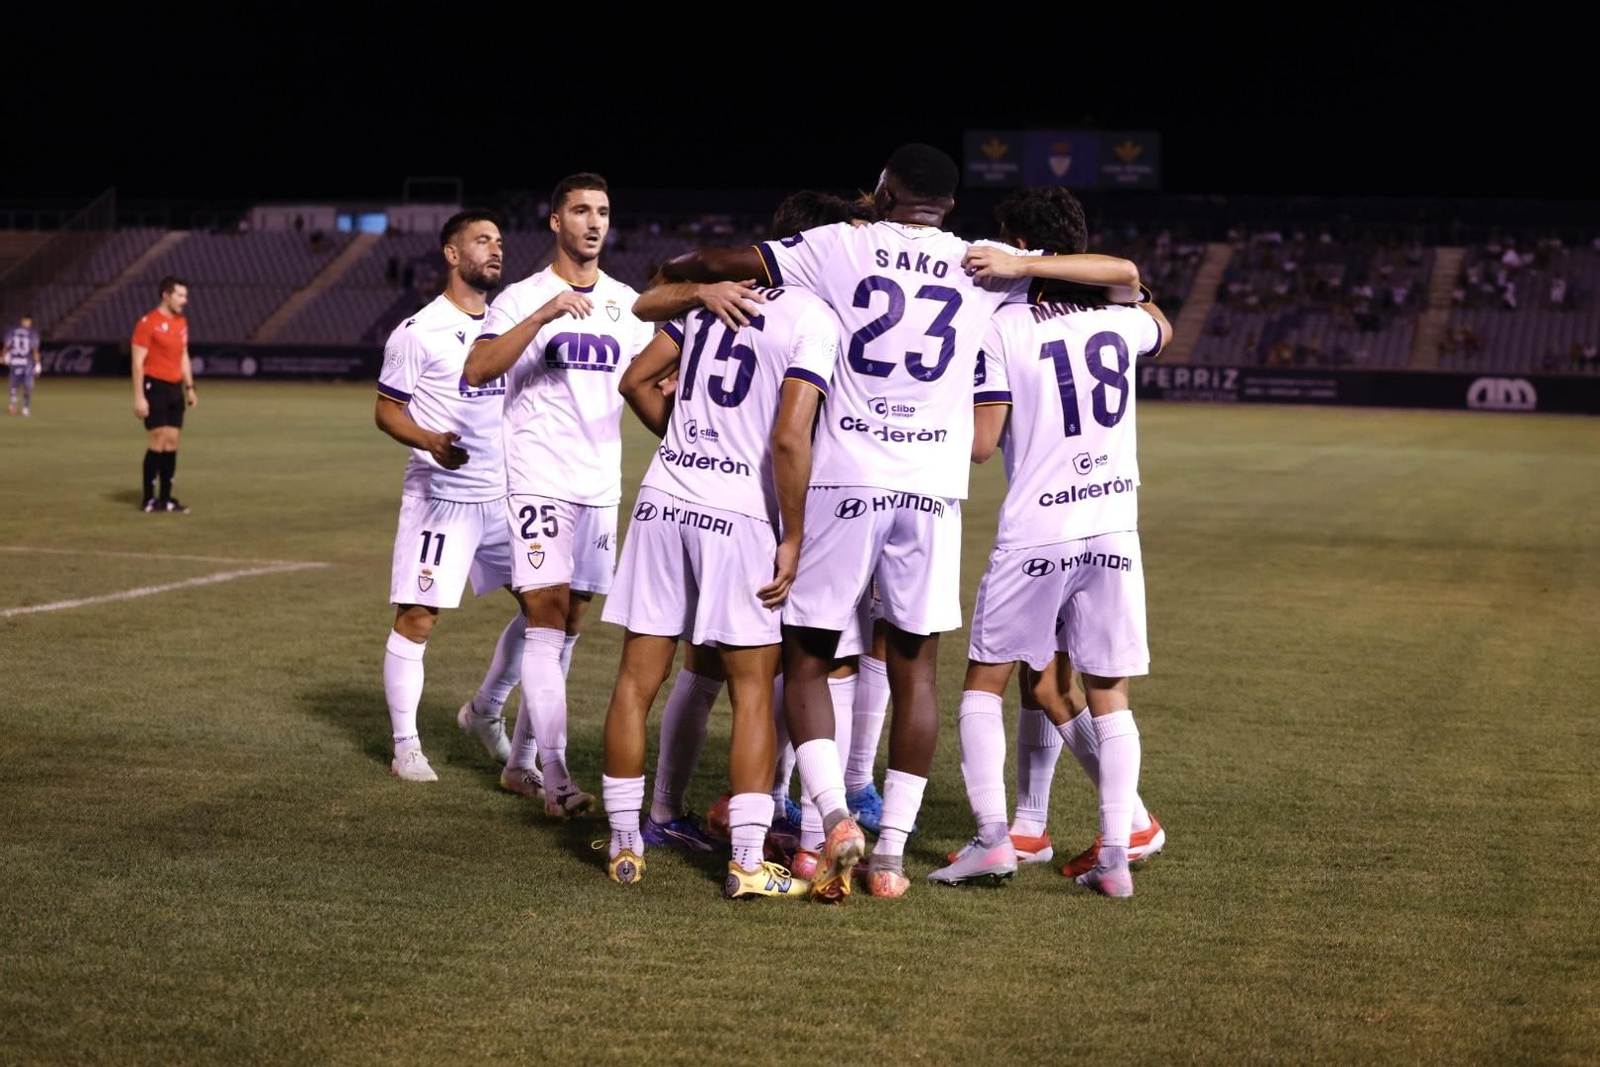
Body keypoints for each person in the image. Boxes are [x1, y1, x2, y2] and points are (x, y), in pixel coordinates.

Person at [645, 144, 1140, 898]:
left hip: (846, 479)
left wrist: (694, 275)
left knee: (808, 655)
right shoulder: (984, 261)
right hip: (933, 492)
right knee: (916, 669)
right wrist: (1016, 264)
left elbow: (707, 257)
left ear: (884, 189)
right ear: (947, 203)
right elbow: (1117, 277)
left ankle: (833, 817)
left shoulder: (838, 244)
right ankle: (890, 857)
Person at [926, 186, 1168, 898]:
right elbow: (1145, 301)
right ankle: (1115, 851)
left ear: (1023, 249)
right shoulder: (1123, 324)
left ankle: (993, 839)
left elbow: (982, 444)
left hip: (1038, 528)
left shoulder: (1005, 327)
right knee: (1106, 690)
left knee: (985, 678)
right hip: (1113, 527)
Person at [597, 222, 842, 897]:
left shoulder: (716, 296)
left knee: (634, 680)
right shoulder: (812, 317)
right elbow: (792, 439)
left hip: (663, 498)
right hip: (737, 516)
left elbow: (635, 380)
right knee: (753, 692)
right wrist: (792, 534)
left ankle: (625, 841)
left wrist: (682, 440)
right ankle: (744, 860)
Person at [464, 173, 654, 818]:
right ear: (555, 221)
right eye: (580, 211)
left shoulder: (627, 303)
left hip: (599, 482)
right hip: (540, 475)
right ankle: (556, 774)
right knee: (545, 617)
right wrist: (545, 314)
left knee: (568, 625)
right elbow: (478, 369)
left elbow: (655, 377)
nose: (594, 222)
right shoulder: (522, 298)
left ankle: (518, 763)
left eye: (603, 211)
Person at [374, 210, 528, 784]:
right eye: (482, 240)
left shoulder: (504, 327)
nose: (495, 249)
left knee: (547, 610)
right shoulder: (418, 331)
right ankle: (405, 745)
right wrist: (429, 440)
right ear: (452, 253)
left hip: (503, 496)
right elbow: (387, 410)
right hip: (442, 496)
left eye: (500, 240)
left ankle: (485, 710)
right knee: (417, 618)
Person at [131, 277, 196, 513]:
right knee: (157, 439)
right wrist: (139, 396)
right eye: (180, 295)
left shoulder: (181, 323)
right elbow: (138, 363)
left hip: (174, 387)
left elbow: (183, 355)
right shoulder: (147, 323)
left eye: (185, 296)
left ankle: (166, 498)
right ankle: (149, 498)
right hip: (154, 385)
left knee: (172, 441)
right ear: (166, 295)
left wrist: (190, 388)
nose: (184, 301)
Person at [6, 314, 40, 417]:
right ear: (23, 321)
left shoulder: (13, 331)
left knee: (22, 386)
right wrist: (38, 364)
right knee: (17, 386)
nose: (26, 323)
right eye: (26, 321)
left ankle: (22, 407)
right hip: (22, 363)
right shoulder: (31, 333)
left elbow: (6, 346)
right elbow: (34, 350)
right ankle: (17, 405)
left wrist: (3, 356)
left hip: (20, 362)